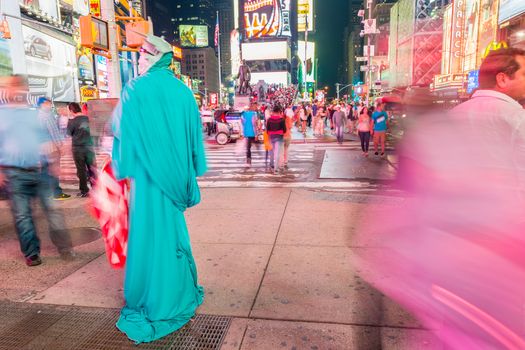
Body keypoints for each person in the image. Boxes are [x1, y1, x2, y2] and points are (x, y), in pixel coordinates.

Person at [111, 34, 207, 344]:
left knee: (147, 238)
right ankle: (176, 291)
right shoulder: (183, 93)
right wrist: (190, 173)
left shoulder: (134, 91)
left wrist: (121, 169)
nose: (138, 62)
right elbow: (195, 143)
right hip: (174, 181)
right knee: (172, 235)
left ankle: (152, 297)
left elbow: (122, 136)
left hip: (147, 181)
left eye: (142, 57)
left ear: (154, 59)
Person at [0, 75, 74, 266]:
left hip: (41, 171)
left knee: (53, 211)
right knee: (23, 216)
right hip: (14, 173)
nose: (16, 90)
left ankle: (65, 247)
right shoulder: (2, 115)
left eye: (19, 86)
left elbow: (46, 140)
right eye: (11, 87)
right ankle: (32, 253)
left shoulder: (36, 114)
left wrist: (55, 163)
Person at [37, 97, 71, 200]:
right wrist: (60, 146)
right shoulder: (47, 115)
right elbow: (54, 132)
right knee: (54, 170)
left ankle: (45, 193)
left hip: (41, 147)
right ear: (42, 104)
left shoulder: (37, 115)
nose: (50, 105)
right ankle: (57, 193)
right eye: (48, 103)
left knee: (44, 170)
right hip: (51, 147)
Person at [67, 102, 96, 197]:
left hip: (78, 148)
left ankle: (84, 191)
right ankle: (97, 189)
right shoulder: (89, 119)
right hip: (89, 147)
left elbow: (69, 135)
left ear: (71, 111)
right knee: (92, 169)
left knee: (81, 170)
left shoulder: (71, 122)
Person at [266, 104, 287, 174]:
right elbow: (284, 130)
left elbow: (267, 130)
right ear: (278, 111)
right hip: (279, 137)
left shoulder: (269, 119)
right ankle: (276, 169)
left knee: (271, 152)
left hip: (271, 137)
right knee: (277, 153)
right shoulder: (282, 120)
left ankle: (271, 165)